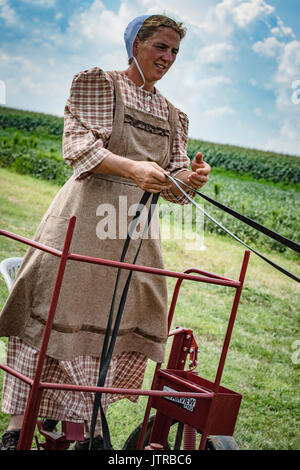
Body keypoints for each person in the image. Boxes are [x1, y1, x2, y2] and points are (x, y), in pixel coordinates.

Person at [0, 14, 211, 450]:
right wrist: (133, 168)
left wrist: (189, 181)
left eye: (175, 51)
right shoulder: (100, 84)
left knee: (126, 316)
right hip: (84, 218)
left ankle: (88, 428)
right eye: (160, 47)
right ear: (136, 44)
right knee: (60, 311)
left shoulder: (173, 114)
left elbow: (171, 183)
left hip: (134, 231)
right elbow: (79, 148)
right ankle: (17, 428)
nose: (168, 58)